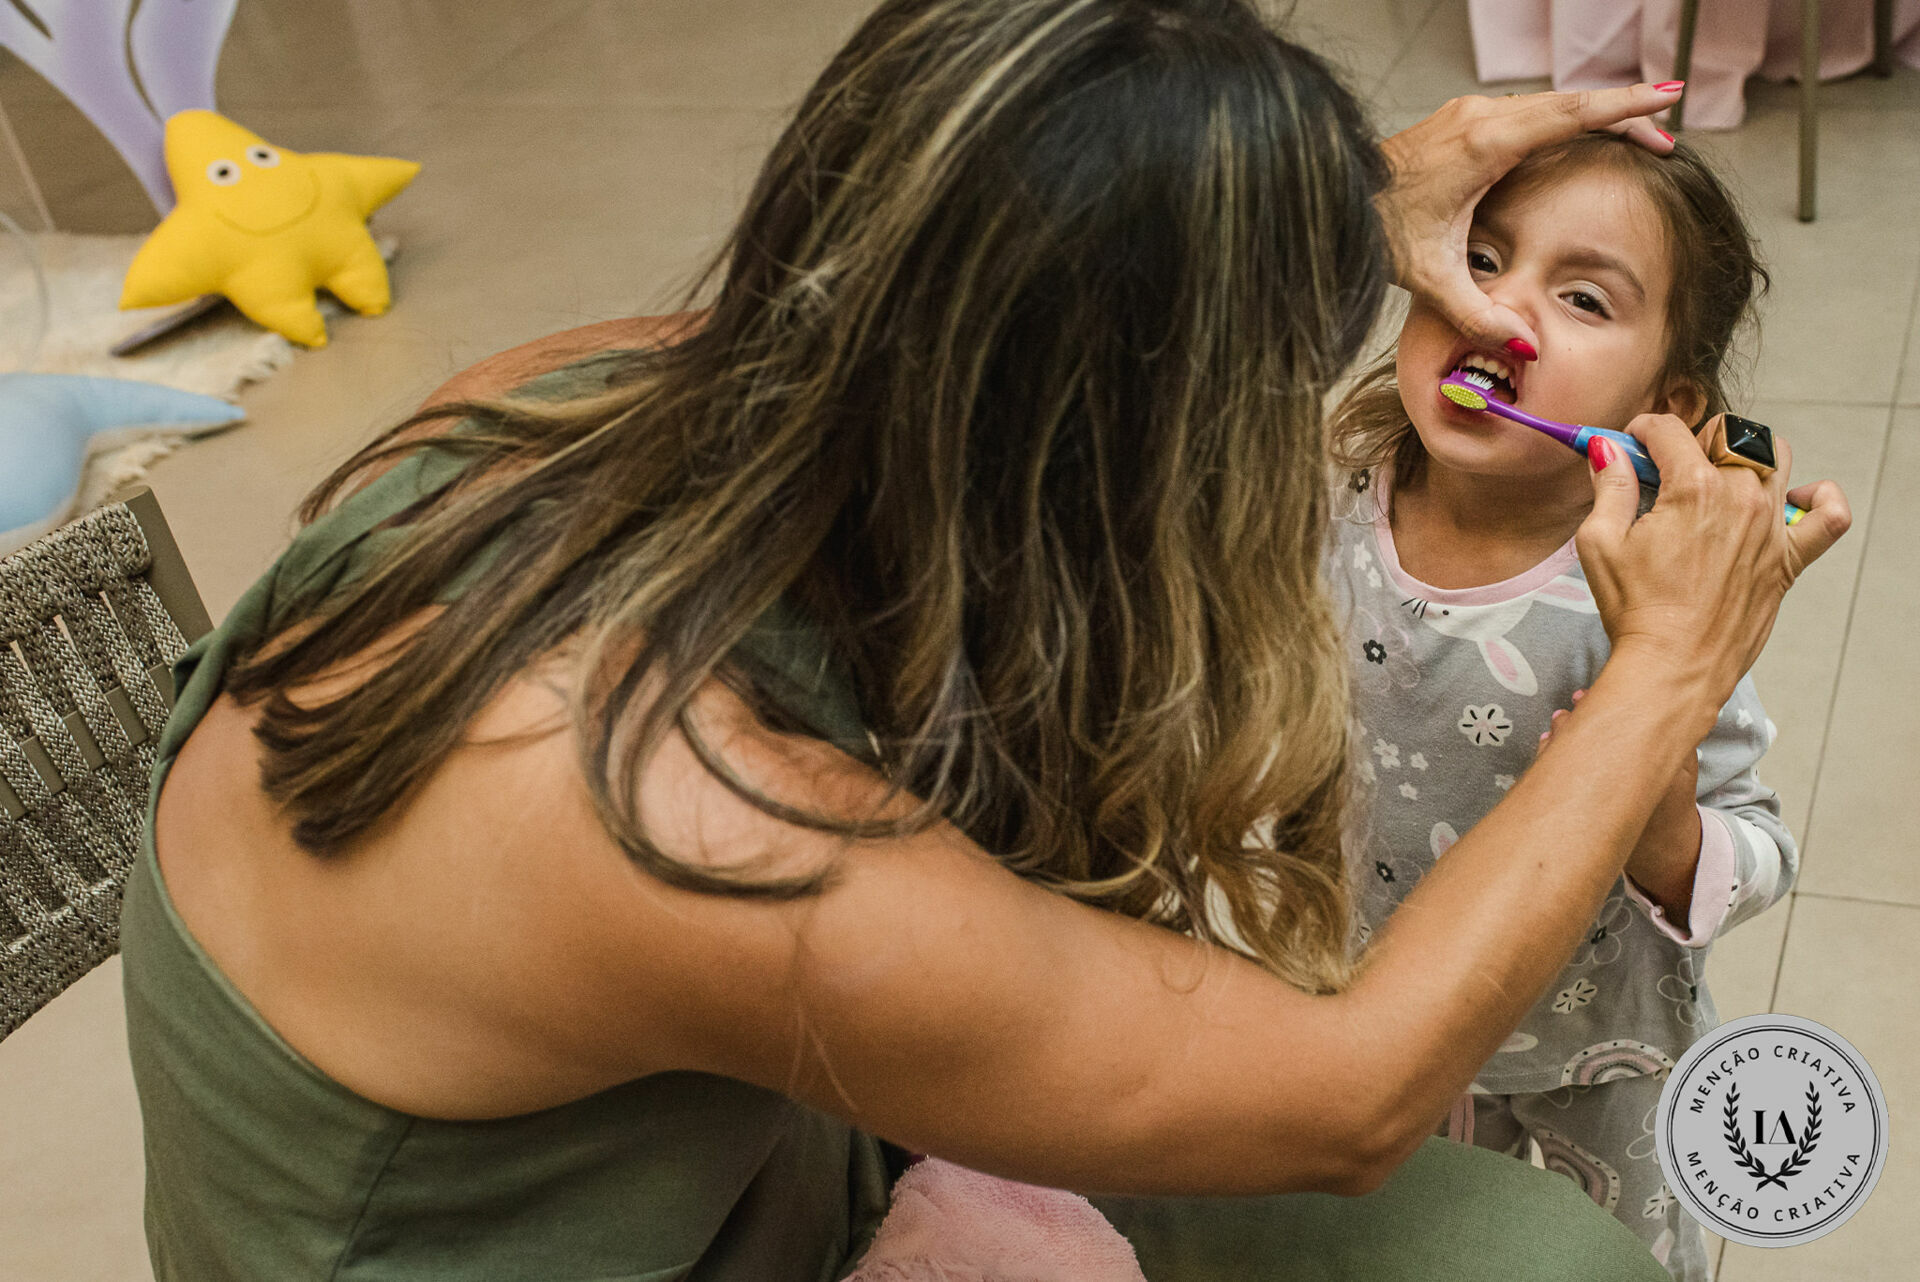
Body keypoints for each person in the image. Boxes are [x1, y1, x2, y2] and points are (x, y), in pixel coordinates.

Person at [119, 1, 1849, 1278]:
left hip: (760, 1138)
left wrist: (1279, 202)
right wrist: (1662, 669)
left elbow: (956, 295)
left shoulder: (579, 390)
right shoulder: (700, 824)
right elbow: (1350, 1094)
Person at [1326, 133, 1790, 1280]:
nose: (1502, 313)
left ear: (1664, 404)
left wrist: (1666, 822)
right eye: (1479, 260)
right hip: (1397, 1021)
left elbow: (1765, 846)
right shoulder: (1323, 514)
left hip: (1606, 1051)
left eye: (1582, 296)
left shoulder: (1651, 588)